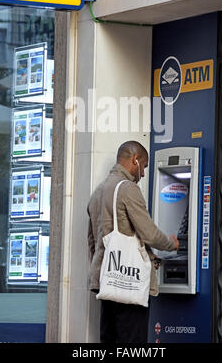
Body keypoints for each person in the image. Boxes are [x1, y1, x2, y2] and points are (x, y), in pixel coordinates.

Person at [87, 140, 179, 343]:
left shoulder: (98, 192)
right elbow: (150, 234)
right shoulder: (127, 189)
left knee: (109, 339)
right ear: (135, 160)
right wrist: (172, 243)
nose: (143, 174)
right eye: (144, 167)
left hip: (107, 279)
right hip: (129, 280)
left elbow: (92, 242)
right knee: (133, 341)